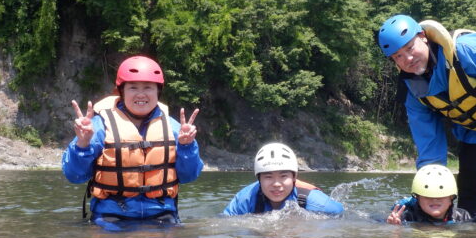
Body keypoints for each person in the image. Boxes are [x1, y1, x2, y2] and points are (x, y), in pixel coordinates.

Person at [378, 14, 476, 223]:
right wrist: (431, 182)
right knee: (468, 185)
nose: (407, 59)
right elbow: (429, 142)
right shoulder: (413, 90)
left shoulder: (470, 50)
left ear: (423, 37)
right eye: (398, 56)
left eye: (410, 48)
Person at [62, 55, 203, 228]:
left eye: (148, 88)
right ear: (121, 92)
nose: (141, 94)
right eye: (133, 88)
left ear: (158, 92)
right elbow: (74, 176)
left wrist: (187, 146)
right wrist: (82, 145)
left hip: (162, 216)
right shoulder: (97, 128)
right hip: (111, 218)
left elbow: (189, 176)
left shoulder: (175, 128)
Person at [222, 142, 344, 216]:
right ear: (259, 179)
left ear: (294, 177)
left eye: (283, 176)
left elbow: (338, 214)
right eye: (268, 177)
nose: (276, 184)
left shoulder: (319, 203)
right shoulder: (245, 199)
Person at [386, 164, 476, 225]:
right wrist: (395, 228)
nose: (434, 200)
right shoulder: (408, 217)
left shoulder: (462, 216)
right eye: (428, 196)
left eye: (440, 196)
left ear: (451, 198)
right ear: (417, 198)